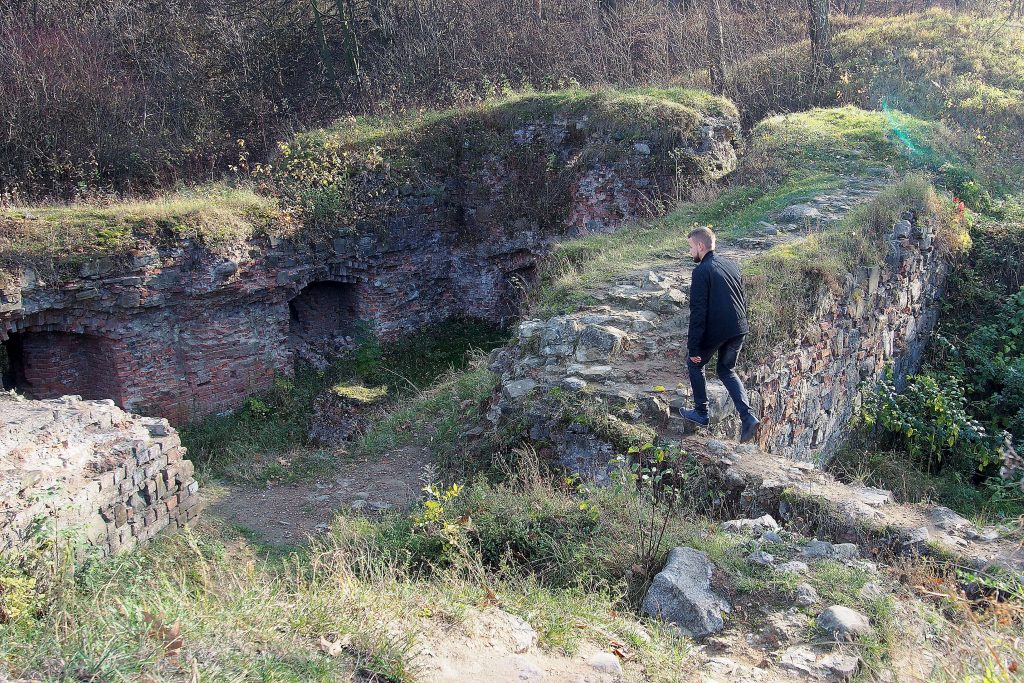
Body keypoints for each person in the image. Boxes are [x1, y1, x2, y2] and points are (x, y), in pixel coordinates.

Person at [679, 226, 760, 444]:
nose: (690, 252)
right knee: (726, 370)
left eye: (690, 247)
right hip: (738, 327)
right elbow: (742, 297)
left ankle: (701, 413)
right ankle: (748, 416)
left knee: (694, 364)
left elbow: (698, 311)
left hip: (719, 329)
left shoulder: (701, 271)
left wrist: (694, 348)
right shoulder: (732, 265)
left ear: (700, 246)